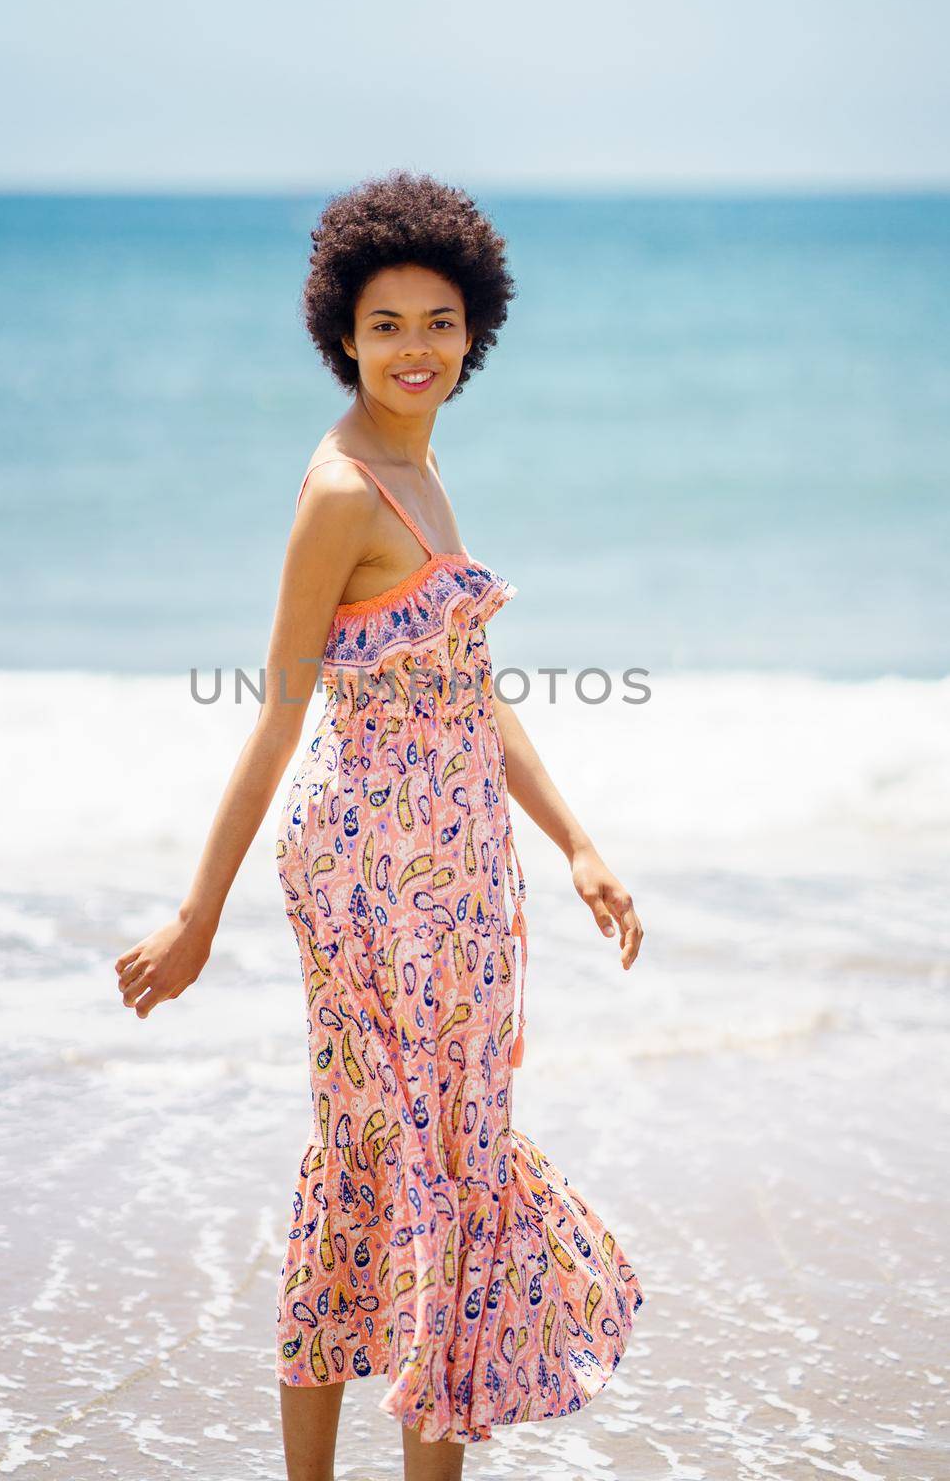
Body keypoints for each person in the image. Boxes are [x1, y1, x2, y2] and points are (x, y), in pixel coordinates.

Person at [114, 170, 645, 1479]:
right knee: (412, 1170)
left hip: (454, 867)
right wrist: (196, 914)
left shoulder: (420, 467)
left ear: (478, 335)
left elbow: (463, 692)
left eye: (441, 323)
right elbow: (277, 716)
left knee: (414, 1168)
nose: (416, 347)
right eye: (388, 323)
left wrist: (575, 839)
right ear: (341, 336)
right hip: (383, 876)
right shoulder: (345, 491)